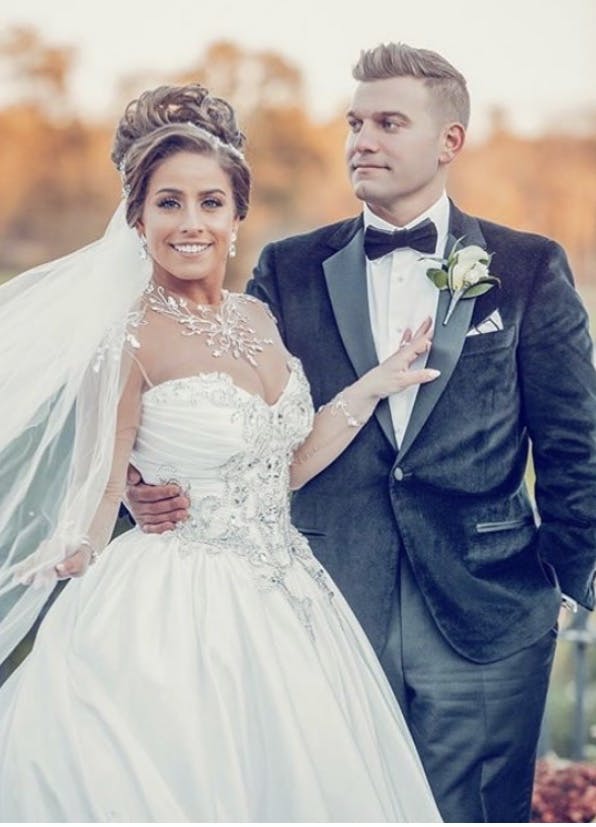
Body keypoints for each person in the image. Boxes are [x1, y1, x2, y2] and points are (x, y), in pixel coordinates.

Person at [127, 46, 596, 822]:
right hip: (324, 609)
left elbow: (575, 446)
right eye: (354, 123)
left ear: (449, 141)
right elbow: (215, 409)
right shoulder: (288, 266)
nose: (361, 141)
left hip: (489, 610)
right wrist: (145, 492)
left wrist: (567, 582)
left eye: (388, 122)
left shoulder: (529, 268)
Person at [0, 83, 444, 822]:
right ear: (137, 219)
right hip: (175, 613)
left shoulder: (259, 316)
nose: (190, 223)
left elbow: (286, 463)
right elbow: (102, 482)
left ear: (239, 217)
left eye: (210, 202)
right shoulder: (126, 335)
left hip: (291, 601)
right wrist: (68, 549)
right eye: (168, 203)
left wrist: (375, 384)